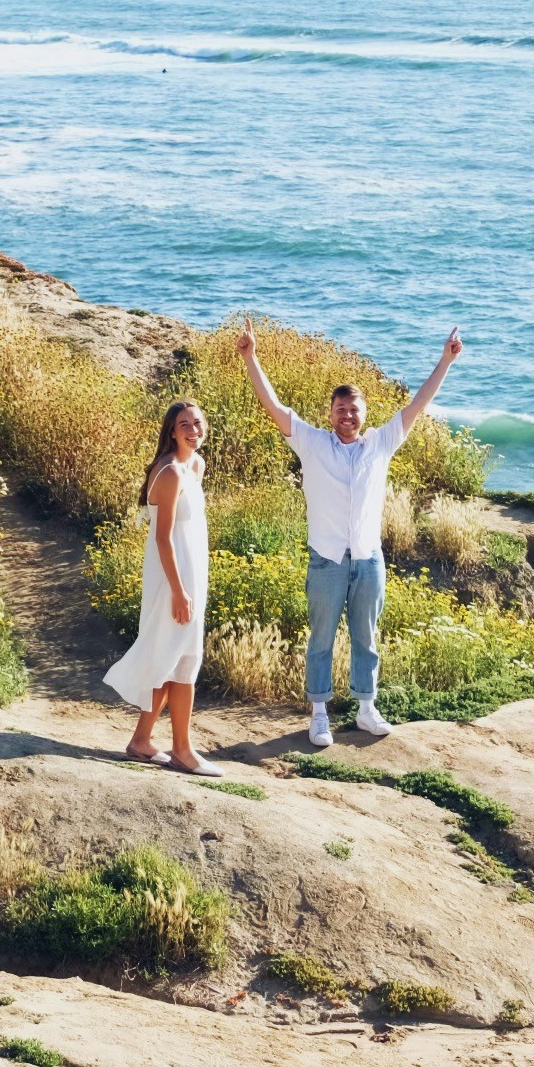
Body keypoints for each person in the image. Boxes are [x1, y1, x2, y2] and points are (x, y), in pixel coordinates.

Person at [238, 318, 463, 746]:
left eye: (354, 409)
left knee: (367, 636)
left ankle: (365, 708)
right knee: (321, 638)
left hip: (368, 558)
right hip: (326, 558)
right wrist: (252, 358)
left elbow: (419, 403)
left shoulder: (381, 443)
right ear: (331, 414)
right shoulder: (311, 442)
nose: (347, 415)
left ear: (363, 414)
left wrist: (445, 360)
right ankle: (319, 713)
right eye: (340, 409)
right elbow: (273, 406)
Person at [104, 398, 218, 774]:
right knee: (181, 660)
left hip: (191, 571)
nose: (193, 431)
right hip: (172, 578)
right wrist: (180, 591)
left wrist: (192, 583)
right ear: (172, 430)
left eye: (198, 424)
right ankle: (183, 750)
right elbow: (162, 539)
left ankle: (140, 741)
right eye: (185, 424)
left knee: (174, 658)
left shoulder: (196, 466)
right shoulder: (169, 472)